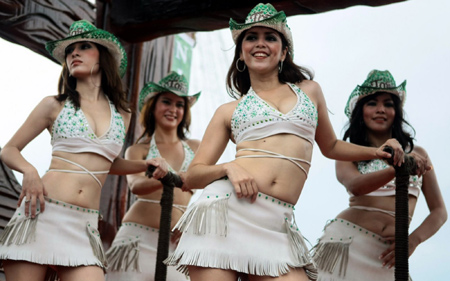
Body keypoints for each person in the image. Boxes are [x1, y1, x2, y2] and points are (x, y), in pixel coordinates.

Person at [164, 4, 408, 281]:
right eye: (251, 37)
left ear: (283, 52)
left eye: (270, 37)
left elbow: (331, 147)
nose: (260, 43)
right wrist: (228, 168)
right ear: (241, 52)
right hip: (223, 214)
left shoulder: (309, 91)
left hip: (277, 223)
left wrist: (375, 151)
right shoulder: (228, 111)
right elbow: (194, 175)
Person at [0, 20, 167, 281]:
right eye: (69, 50)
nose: (74, 53)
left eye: (84, 47)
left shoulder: (122, 114)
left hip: (83, 226)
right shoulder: (53, 105)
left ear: (104, 57)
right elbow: (9, 149)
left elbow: (105, 163)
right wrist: (30, 171)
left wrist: (144, 165)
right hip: (41, 214)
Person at [311, 70, 447, 280]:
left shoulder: (418, 154)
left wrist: (413, 240)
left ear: (396, 112)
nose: (381, 110)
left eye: (389, 104)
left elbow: (439, 211)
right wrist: (398, 168)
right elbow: (355, 185)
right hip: (347, 244)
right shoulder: (349, 151)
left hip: (390, 255)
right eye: (372, 103)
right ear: (361, 111)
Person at [105, 71, 201, 281]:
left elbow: (212, 188)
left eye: (179, 105)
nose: (173, 109)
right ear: (153, 107)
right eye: (166, 101)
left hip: (177, 243)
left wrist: (192, 225)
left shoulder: (197, 148)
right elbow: (136, 185)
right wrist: (166, 177)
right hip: (135, 240)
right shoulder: (138, 150)